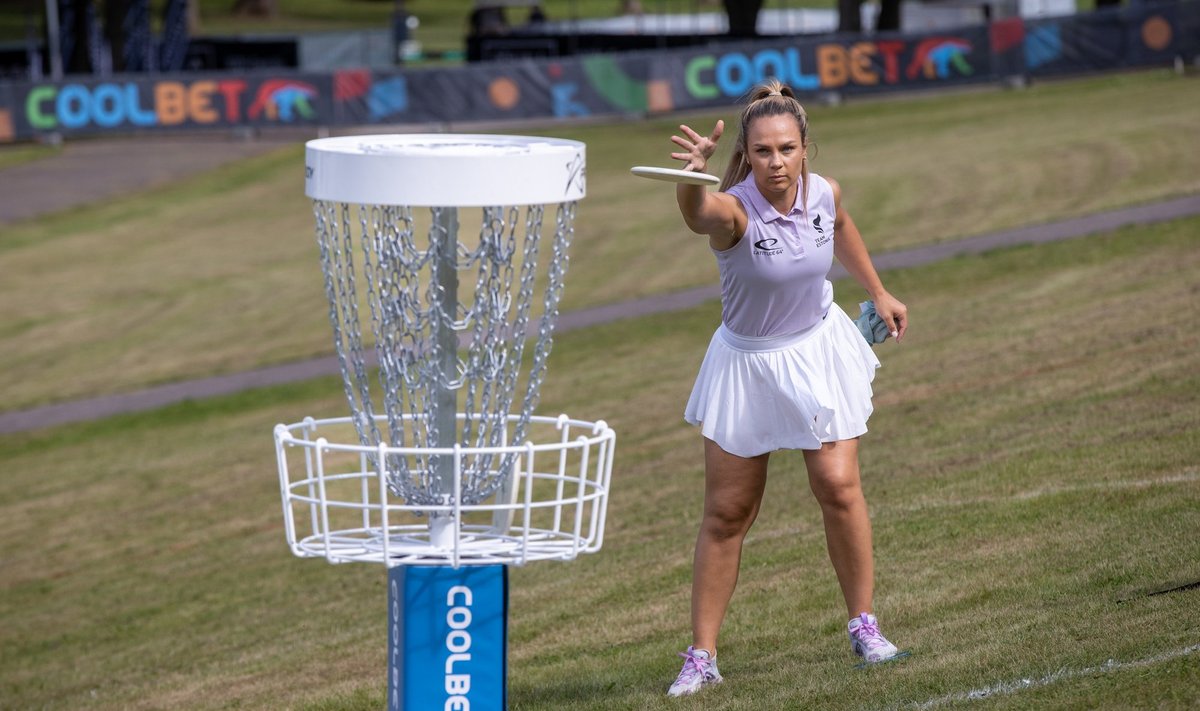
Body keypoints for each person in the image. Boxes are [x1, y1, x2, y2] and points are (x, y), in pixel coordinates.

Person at [664, 79, 909, 697]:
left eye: (788, 149)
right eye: (764, 151)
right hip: (748, 366)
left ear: (805, 149)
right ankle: (702, 656)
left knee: (838, 485)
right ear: (746, 154)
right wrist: (694, 179)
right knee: (727, 513)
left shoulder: (823, 193)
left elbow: (843, 224)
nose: (777, 162)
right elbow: (699, 216)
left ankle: (864, 626)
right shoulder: (735, 209)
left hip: (819, 349)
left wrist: (878, 291)